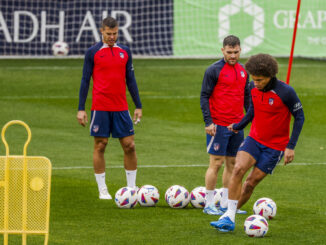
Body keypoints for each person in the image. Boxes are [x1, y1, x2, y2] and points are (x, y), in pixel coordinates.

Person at [211, 53, 305, 232]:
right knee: (238, 169)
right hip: (254, 139)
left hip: (275, 147)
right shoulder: (252, 88)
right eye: (254, 79)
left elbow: (300, 117)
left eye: (260, 80)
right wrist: (238, 126)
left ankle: (231, 213)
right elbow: (252, 112)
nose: (256, 83)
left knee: (250, 184)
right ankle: (229, 217)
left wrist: (290, 147)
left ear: (270, 76)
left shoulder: (286, 92)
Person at [77, 17, 142, 200]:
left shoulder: (125, 52)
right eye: (108, 34)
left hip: (121, 106)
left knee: (129, 145)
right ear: (101, 31)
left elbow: (131, 80)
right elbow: (84, 80)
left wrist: (138, 105)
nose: (112, 37)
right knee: (100, 145)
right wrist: (81, 108)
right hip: (100, 106)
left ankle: (131, 188)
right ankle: (102, 189)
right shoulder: (93, 52)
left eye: (115, 33)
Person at [200, 35, 250, 215]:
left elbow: (246, 97)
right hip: (218, 125)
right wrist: (208, 122)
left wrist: (249, 118)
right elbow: (204, 97)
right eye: (229, 52)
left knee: (233, 164)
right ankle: (208, 204)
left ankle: (225, 204)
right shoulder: (213, 70)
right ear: (223, 51)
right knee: (216, 163)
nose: (233, 56)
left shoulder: (244, 71)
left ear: (240, 50)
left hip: (237, 126)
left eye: (236, 52)